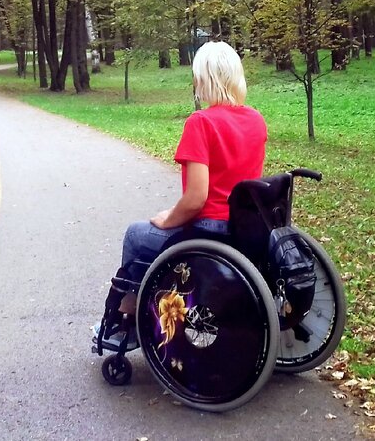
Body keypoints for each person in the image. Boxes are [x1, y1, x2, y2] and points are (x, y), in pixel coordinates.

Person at [105, 41, 268, 330]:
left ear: (204, 79)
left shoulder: (201, 123)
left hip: (209, 231)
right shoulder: (256, 120)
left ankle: (128, 314)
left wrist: (168, 218)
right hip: (244, 229)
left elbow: (196, 200)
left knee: (135, 234)